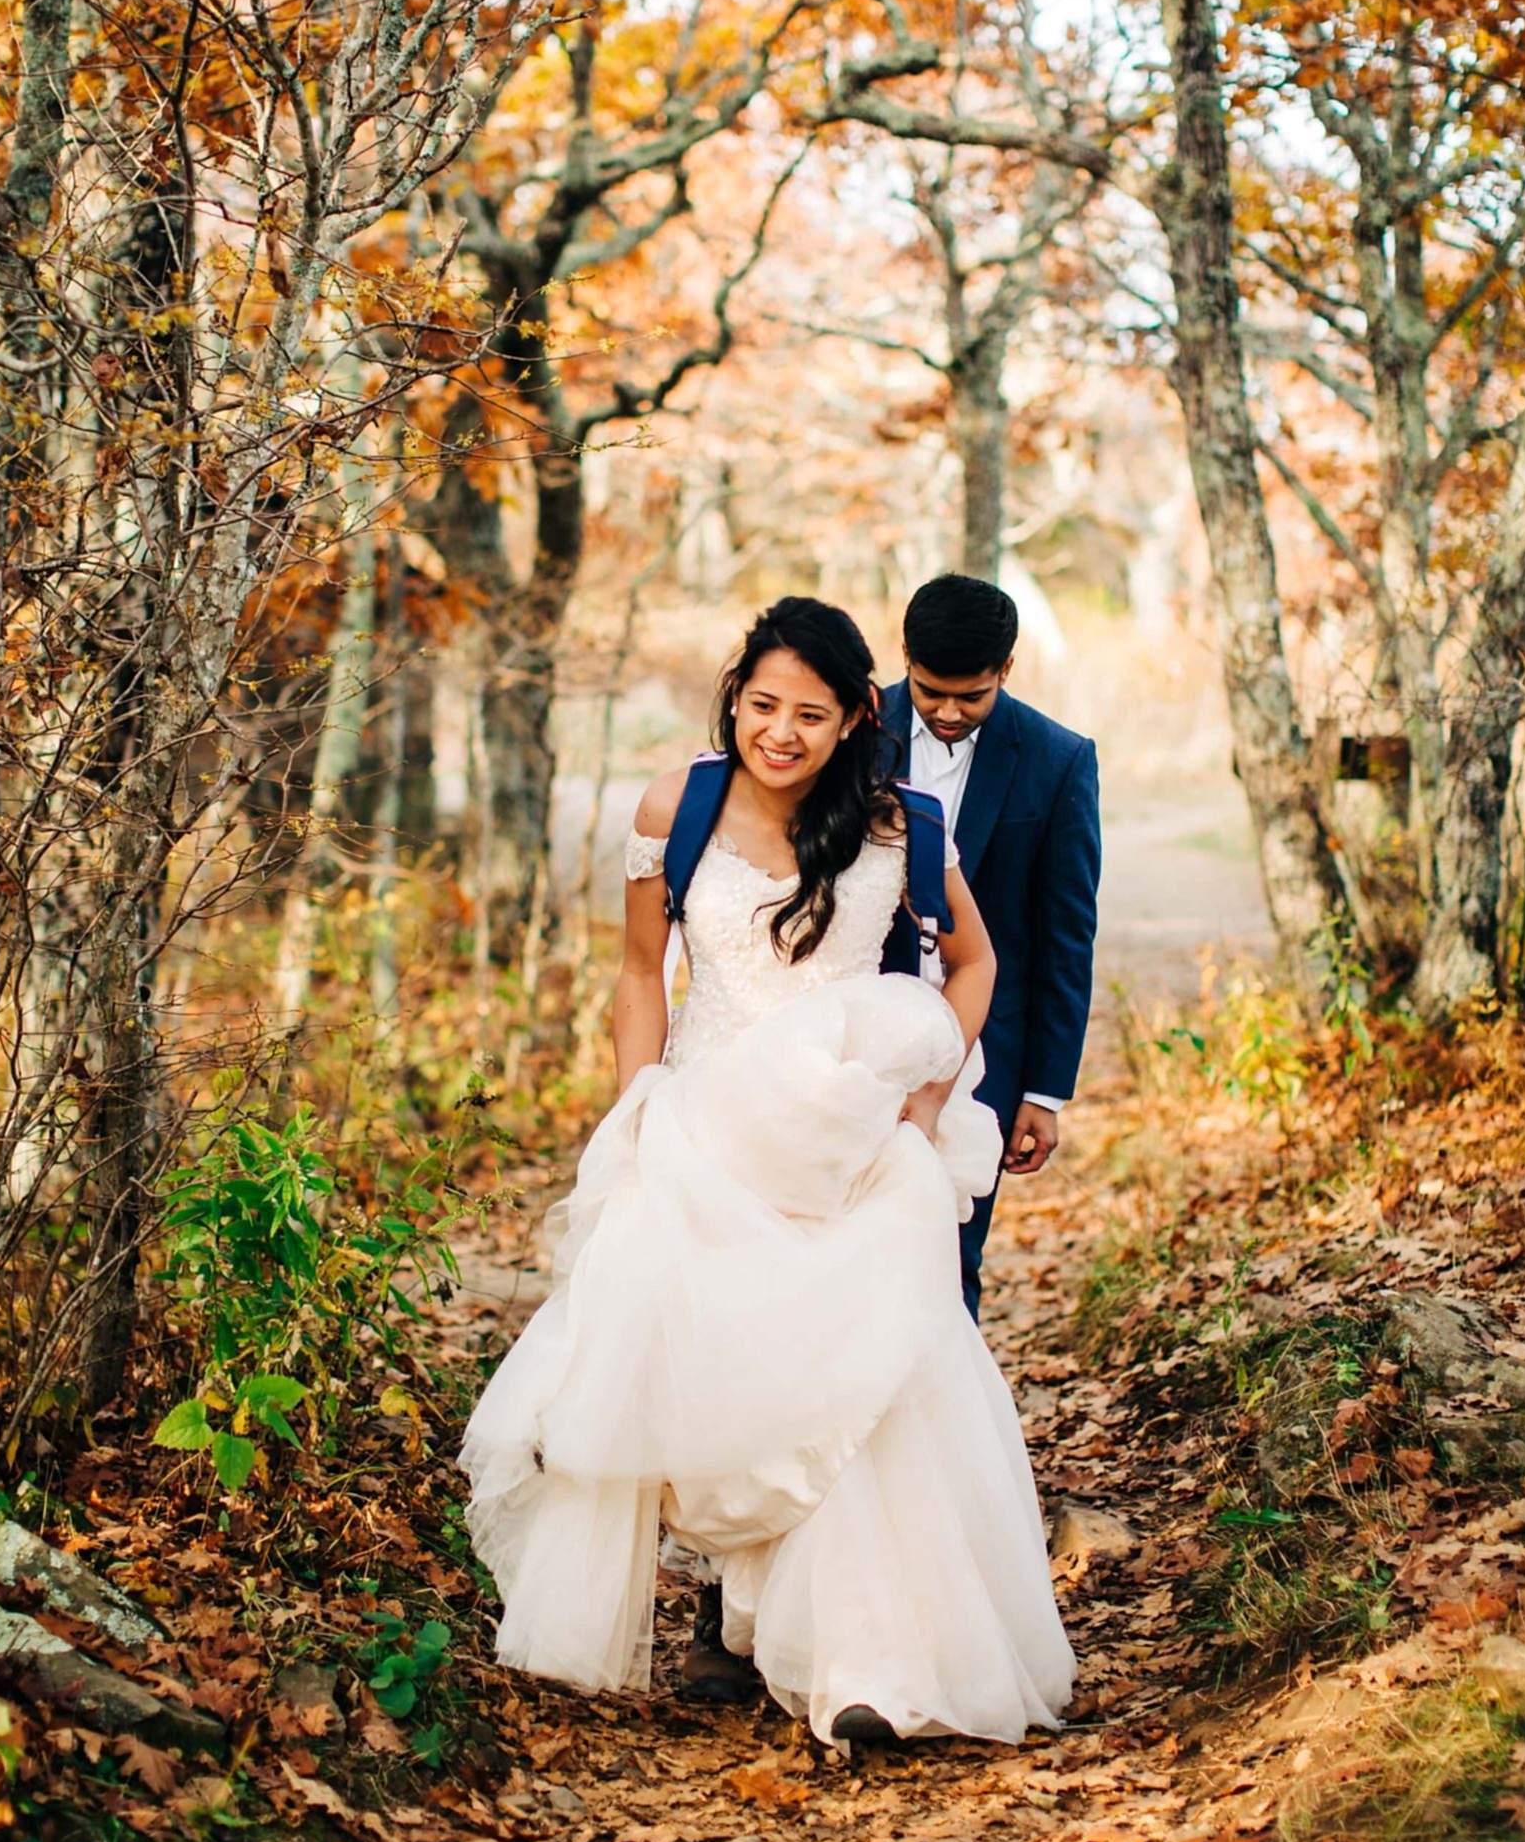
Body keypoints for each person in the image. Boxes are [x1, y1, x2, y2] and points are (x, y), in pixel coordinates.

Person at [459, 596, 1074, 1746]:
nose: (778, 733)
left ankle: (866, 1664)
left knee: (865, 1385)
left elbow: (976, 959)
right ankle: (737, 1618)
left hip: (851, 1148)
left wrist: (932, 1079)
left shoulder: (904, 825)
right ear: (733, 697)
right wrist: (636, 1106)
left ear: (854, 718)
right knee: (715, 1374)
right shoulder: (674, 807)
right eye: (760, 705)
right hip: (705, 1131)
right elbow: (642, 975)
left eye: (808, 713)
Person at [881, 574, 1100, 1319]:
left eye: (970, 697)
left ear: (1007, 670)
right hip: (850, 1034)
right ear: (904, 655)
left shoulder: (1058, 760)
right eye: (929, 689)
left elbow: (1066, 933)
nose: (946, 712)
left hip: (984, 1054)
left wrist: (1044, 1091)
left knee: (951, 1250)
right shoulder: (848, 731)